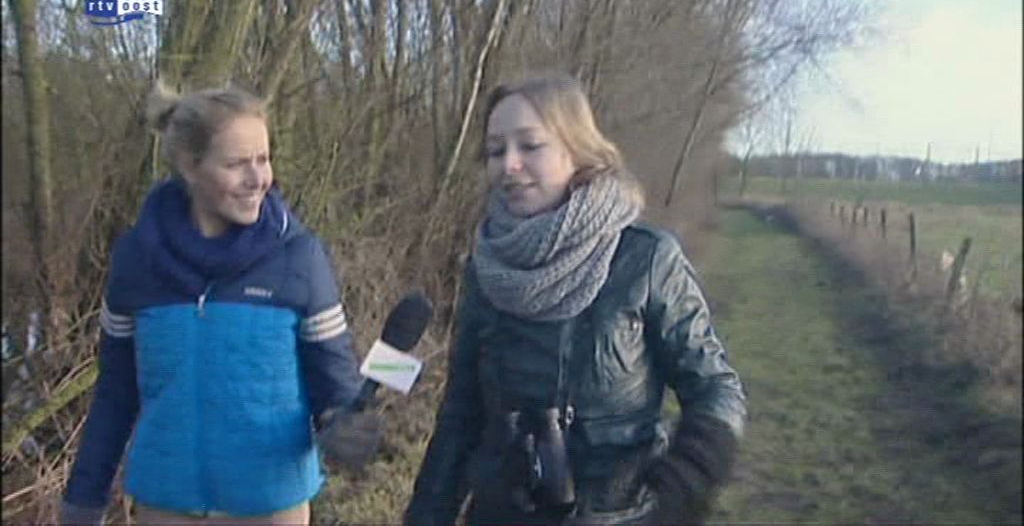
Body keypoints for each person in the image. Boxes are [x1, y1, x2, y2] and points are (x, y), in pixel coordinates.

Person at [403, 75, 747, 526]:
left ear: (577, 149)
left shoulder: (645, 259)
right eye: (495, 151)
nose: (509, 165)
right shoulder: (486, 267)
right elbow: (461, 416)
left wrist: (678, 492)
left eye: (530, 146)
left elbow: (716, 389)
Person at [60, 81, 382, 525]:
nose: (258, 179)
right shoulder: (136, 261)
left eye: (263, 159)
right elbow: (116, 392)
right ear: (190, 166)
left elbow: (334, 381)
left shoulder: (300, 258)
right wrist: (84, 496)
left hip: (271, 508)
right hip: (166, 507)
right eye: (236, 164)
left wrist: (344, 423)